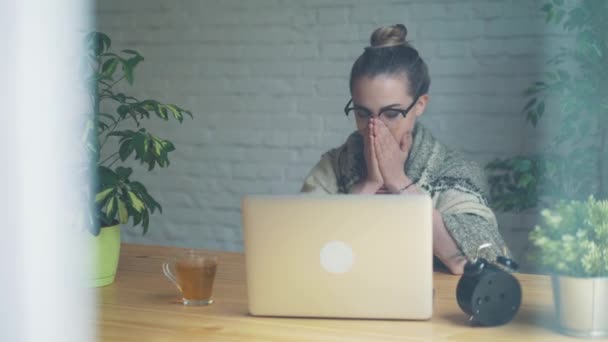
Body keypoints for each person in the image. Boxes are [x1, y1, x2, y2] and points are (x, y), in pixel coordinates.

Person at [301, 24, 509, 275]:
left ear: (420, 104)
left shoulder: (454, 170)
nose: (374, 127)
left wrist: (399, 182)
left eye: (391, 113)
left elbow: (482, 256)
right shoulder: (334, 166)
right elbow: (302, 248)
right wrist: (368, 184)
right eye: (362, 113)